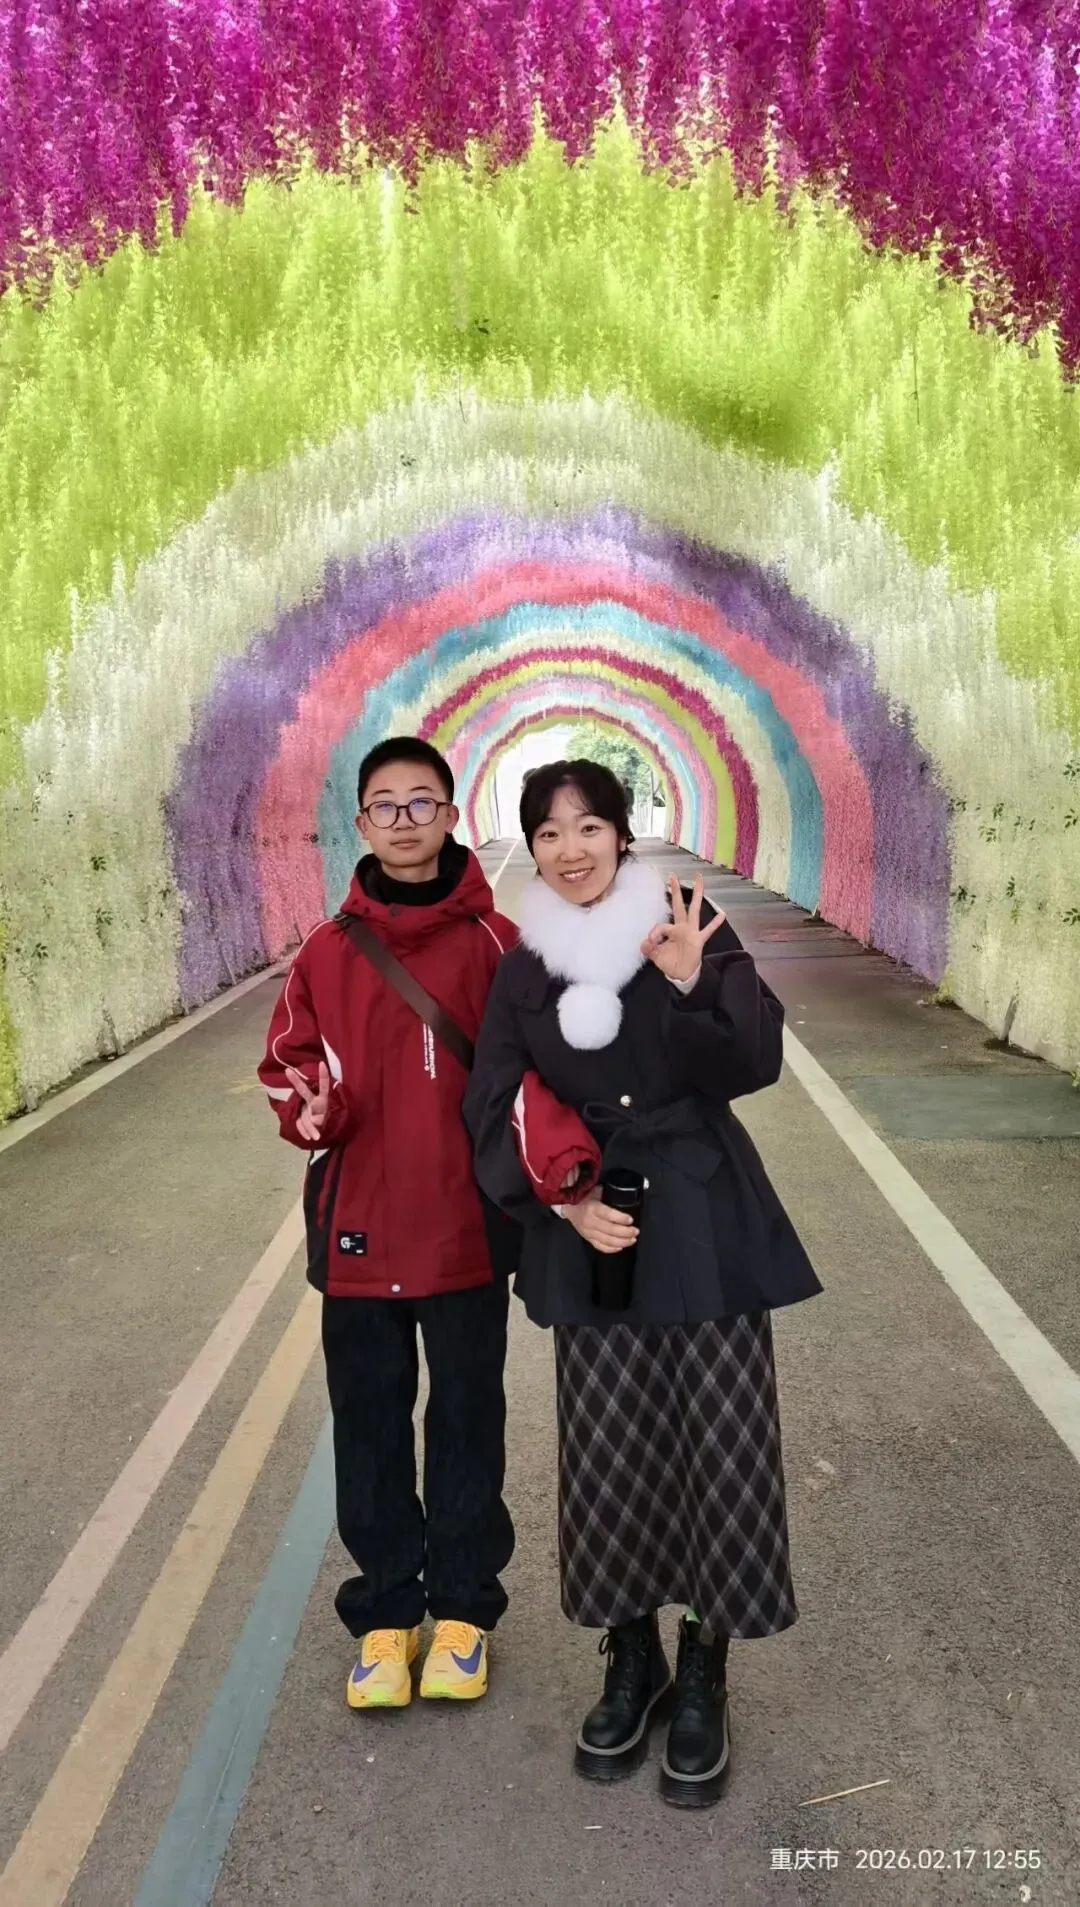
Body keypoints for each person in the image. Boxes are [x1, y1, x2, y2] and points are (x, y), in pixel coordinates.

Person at [462, 760, 821, 1808]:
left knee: (723, 1440)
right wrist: (563, 1203)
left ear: (623, 832)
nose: (570, 848)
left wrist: (691, 981)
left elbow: (752, 1062)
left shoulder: (686, 919)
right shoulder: (522, 969)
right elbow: (492, 1104)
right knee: (610, 1447)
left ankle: (707, 1661)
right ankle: (633, 1653)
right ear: (531, 847)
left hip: (704, 1212)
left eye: (589, 826)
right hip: (594, 1230)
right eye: (548, 831)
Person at [259, 738, 518, 1710]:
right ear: (361, 823)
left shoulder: (497, 943)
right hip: (358, 1232)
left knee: (466, 1417)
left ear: (451, 814)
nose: (404, 819)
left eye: (422, 801)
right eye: (385, 803)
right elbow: (287, 1065)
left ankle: (461, 1610)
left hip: (465, 1228)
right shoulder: (326, 952)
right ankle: (385, 1610)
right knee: (367, 1422)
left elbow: (532, 1076)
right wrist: (311, 1111)